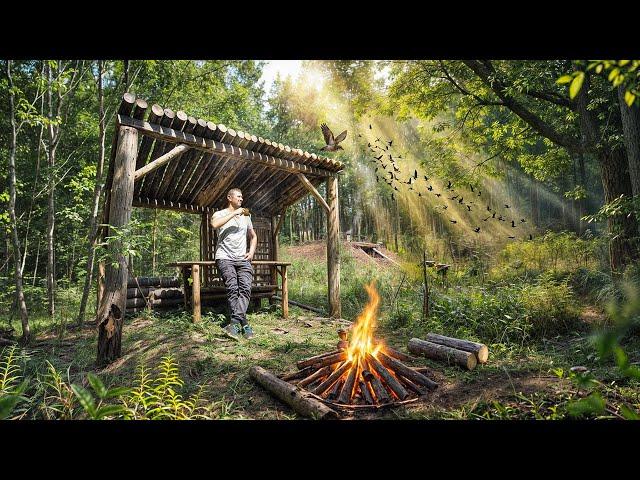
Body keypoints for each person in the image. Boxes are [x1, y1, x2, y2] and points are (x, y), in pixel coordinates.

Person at [210, 188, 258, 340]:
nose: (241, 199)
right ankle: (244, 324)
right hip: (224, 257)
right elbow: (214, 225)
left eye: (242, 197)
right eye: (238, 196)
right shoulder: (220, 214)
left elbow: (253, 236)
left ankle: (235, 323)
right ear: (229, 197)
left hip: (242, 259)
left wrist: (251, 252)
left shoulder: (246, 216)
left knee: (245, 288)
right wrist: (233, 214)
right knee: (233, 288)